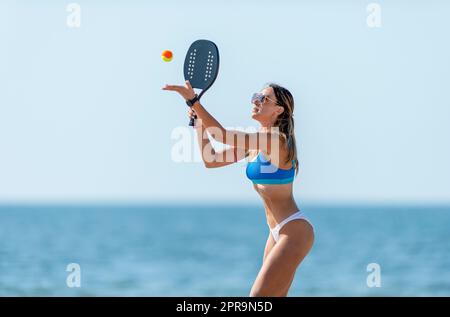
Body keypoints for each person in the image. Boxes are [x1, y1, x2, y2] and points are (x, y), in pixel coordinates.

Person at [163, 81, 314, 296]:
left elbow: (221, 135)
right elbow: (211, 158)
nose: (255, 101)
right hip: (275, 232)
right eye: (255, 96)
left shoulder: (276, 140)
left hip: (295, 230)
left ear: (278, 110)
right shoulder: (255, 146)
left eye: (263, 99)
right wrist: (197, 121)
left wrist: (194, 101)